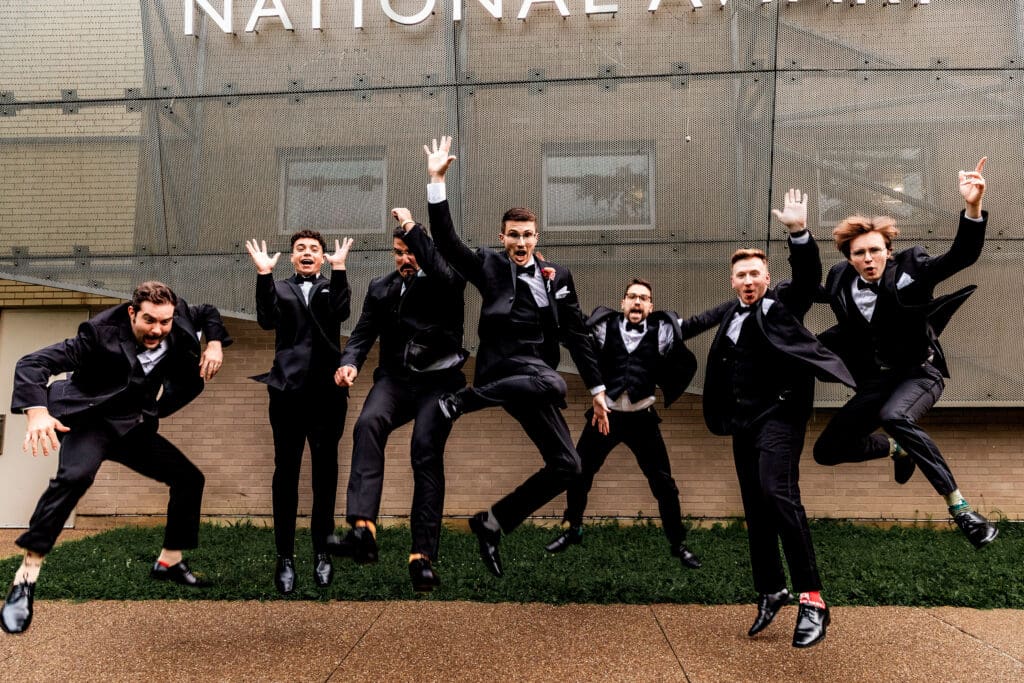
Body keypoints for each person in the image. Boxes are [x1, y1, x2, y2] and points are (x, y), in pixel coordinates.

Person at [423, 136, 608, 578]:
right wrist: (436, 182)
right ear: (502, 237)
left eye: (528, 236)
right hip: (504, 369)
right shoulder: (488, 265)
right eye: (514, 236)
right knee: (558, 384)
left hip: (535, 371)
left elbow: (578, 334)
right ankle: (462, 401)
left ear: (536, 237)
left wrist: (599, 389)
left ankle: (491, 523)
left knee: (568, 465)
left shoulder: (557, 276)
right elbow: (447, 244)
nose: (521, 242)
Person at [2, 281, 232, 635]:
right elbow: (34, 363)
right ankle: (25, 579)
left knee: (188, 479)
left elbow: (208, 312)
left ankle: (169, 561)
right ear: (131, 313)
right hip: (90, 420)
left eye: (165, 322)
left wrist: (214, 343)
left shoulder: (179, 316)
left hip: (132, 424)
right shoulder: (98, 333)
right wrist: (37, 412)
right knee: (74, 479)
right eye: (149, 321)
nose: (158, 329)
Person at [679, 190, 855, 648]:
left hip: (782, 413)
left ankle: (812, 599)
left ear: (766, 277)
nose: (749, 279)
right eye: (741, 274)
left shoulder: (780, 305)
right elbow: (692, 327)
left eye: (756, 272)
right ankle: (771, 588)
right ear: (733, 281)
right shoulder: (730, 315)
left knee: (779, 494)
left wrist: (798, 231)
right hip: (744, 422)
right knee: (756, 508)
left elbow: (807, 276)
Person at [813, 158, 997, 549]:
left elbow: (961, 256)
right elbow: (810, 292)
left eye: (875, 251)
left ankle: (961, 508)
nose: (868, 259)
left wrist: (973, 207)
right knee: (828, 450)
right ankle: (896, 447)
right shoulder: (839, 280)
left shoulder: (912, 270)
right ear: (848, 258)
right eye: (859, 253)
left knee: (894, 415)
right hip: (877, 379)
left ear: (888, 251)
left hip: (919, 374)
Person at [331, 211, 467, 592]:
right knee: (367, 424)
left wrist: (413, 226)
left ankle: (421, 557)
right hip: (395, 380)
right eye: (398, 253)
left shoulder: (447, 281)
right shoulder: (380, 287)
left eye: (411, 252)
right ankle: (363, 531)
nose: (405, 260)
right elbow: (361, 335)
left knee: (424, 449)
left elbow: (441, 270)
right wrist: (349, 364)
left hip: (439, 382)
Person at [544, 278, 702, 570]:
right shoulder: (605, 327)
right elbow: (574, 322)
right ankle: (574, 528)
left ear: (651, 306)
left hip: (643, 420)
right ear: (623, 302)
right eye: (632, 296)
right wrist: (551, 283)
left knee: (664, 484)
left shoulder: (662, 331)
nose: (637, 301)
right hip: (605, 417)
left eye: (643, 297)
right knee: (578, 473)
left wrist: (737, 304)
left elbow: (699, 322)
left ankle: (678, 544)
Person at [245, 231, 353, 594]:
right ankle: (285, 558)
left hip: (327, 395)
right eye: (301, 250)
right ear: (292, 257)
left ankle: (323, 553)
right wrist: (263, 276)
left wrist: (339, 270)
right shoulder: (282, 289)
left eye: (314, 250)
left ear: (322, 257)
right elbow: (264, 320)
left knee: (325, 474)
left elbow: (342, 312)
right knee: (286, 472)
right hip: (287, 394)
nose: (307, 254)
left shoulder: (330, 284)